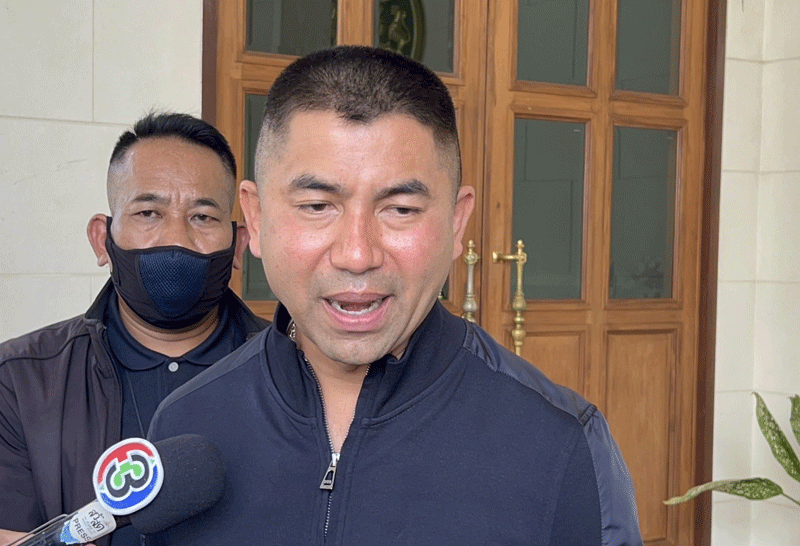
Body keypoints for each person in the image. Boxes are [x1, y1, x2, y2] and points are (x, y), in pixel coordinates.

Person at [148, 46, 643, 545]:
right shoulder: (188, 425)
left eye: (401, 209)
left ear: (456, 223)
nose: (357, 254)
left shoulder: (561, 442)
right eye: (318, 206)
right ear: (255, 219)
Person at [0, 112, 268, 546]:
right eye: (148, 212)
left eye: (202, 217)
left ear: (238, 245)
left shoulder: (297, 371)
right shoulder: (18, 381)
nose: (175, 239)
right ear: (102, 239)